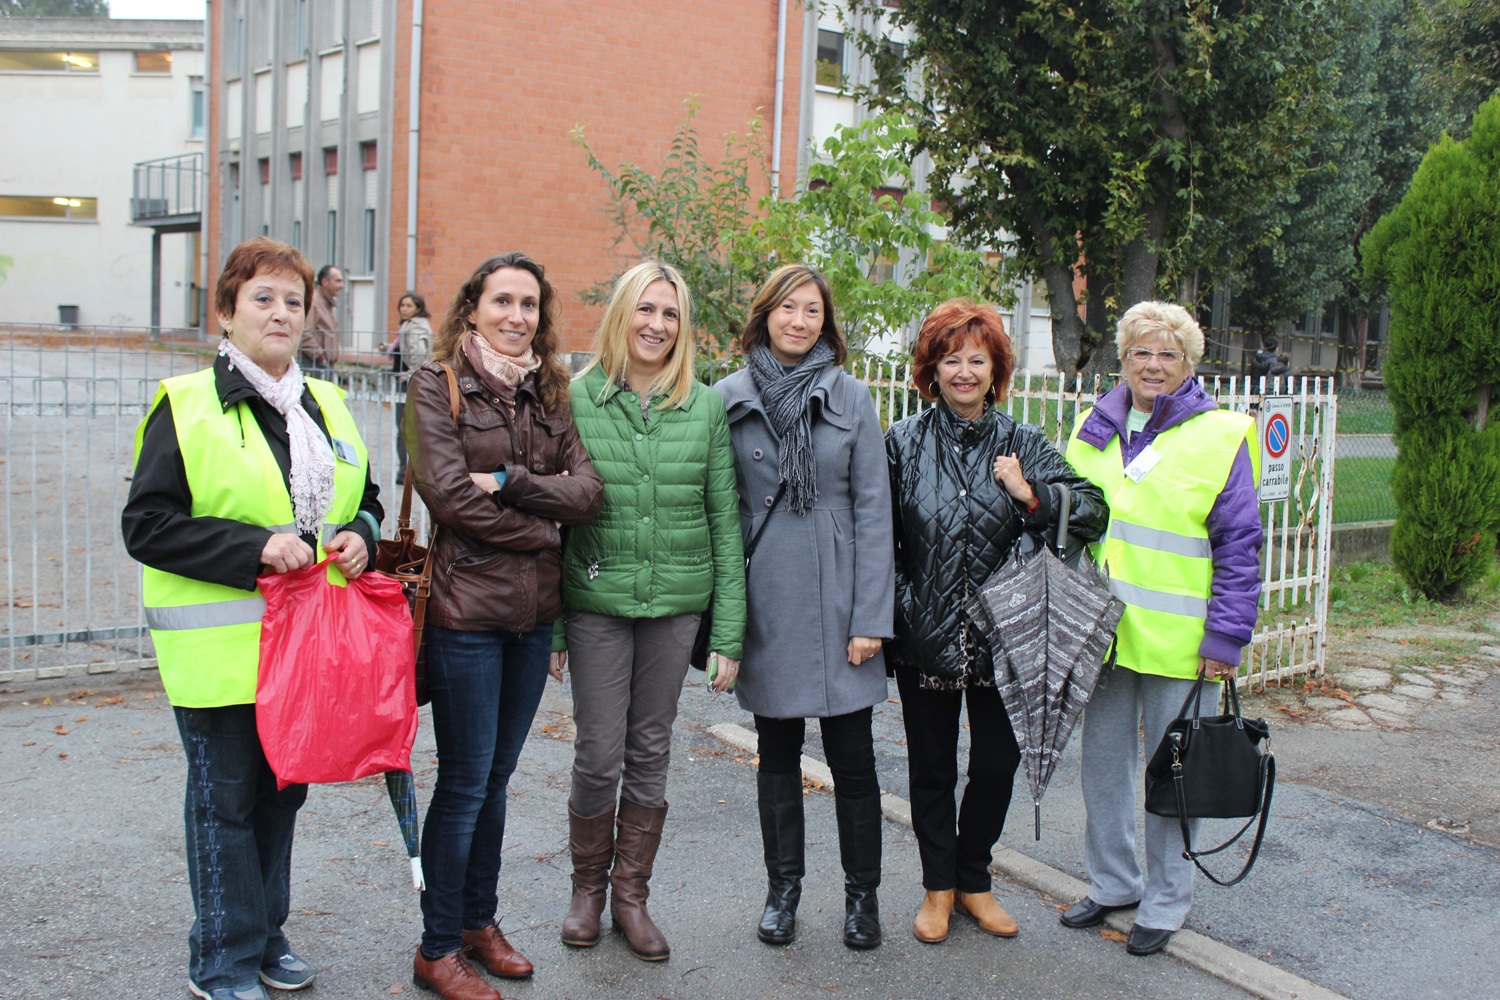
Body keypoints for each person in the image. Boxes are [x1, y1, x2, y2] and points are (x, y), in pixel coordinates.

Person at [122, 237, 383, 1000]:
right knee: (224, 802)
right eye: (262, 298)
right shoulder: (187, 406)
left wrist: (360, 536)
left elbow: (365, 495)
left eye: (293, 301)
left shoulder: (326, 405)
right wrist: (254, 547)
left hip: (307, 648)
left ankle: (267, 937)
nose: (280, 312)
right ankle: (223, 960)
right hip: (222, 653)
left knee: (281, 797)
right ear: (227, 312)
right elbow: (149, 525)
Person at [404, 253, 604, 999]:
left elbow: (587, 492)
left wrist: (519, 486)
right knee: (462, 783)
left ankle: (477, 924)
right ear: (474, 307)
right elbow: (450, 497)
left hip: (531, 620)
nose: (517, 316)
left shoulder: (549, 393)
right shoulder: (436, 384)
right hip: (465, 616)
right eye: (503, 302)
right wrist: (540, 530)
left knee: (496, 779)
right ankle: (435, 947)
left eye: (529, 304)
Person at [885, 300, 1108, 945]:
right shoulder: (901, 443)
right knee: (930, 769)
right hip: (924, 640)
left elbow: (1094, 509)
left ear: (995, 369)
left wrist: (1031, 496)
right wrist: (900, 603)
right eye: (950, 358)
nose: (963, 371)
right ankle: (937, 887)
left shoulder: (1023, 443)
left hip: (1007, 642)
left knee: (995, 766)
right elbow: (877, 537)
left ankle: (974, 880)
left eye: (976, 359)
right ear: (932, 368)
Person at [552, 260, 746, 961]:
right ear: (621, 314)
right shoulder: (575, 400)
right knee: (599, 754)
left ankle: (632, 895)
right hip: (596, 598)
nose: (657, 326)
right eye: (646, 309)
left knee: (651, 749)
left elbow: (725, 519)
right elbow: (553, 525)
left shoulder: (703, 405)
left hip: (676, 605)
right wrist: (551, 627)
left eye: (670, 314)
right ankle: (587, 892)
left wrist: (728, 633)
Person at [1061, 300, 1262, 957]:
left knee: (1175, 777)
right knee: (1103, 769)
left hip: (1183, 644)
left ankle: (1167, 902)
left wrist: (1227, 639)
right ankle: (1114, 882)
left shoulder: (1220, 435)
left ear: (1188, 364)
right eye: (1141, 353)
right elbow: (1074, 522)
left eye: (1167, 354)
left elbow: (1239, 547)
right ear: (1123, 360)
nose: (1152, 364)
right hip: (1105, 633)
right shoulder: (1094, 426)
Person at [714, 264, 895, 950]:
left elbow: (875, 510)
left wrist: (872, 618)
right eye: (787, 308)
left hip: (843, 596)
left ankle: (861, 899)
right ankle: (782, 893)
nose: (798, 320)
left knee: (854, 760)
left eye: (812, 310)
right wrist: (727, 623)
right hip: (768, 598)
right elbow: (719, 512)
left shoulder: (852, 396)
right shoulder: (726, 396)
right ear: (765, 315)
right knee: (779, 752)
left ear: (827, 322)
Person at [389, 290, 433, 482]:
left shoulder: (415, 327)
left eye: (409, 305)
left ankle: (405, 472)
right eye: (402, 305)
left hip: (409, 383)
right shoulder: (408, 325)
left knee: (406, 427)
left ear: (418, 308)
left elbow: (419, 353)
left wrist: (410, 374)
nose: (404, 309)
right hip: (408, 380)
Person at [301, 264, 343, 373]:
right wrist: (320, 356)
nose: (342, 285)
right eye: (338, 281)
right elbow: (304, 334)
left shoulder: (327, 304)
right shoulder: (314, 303)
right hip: (313, 366)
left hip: (323, 366)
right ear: (325, 282)